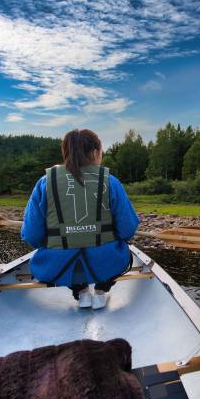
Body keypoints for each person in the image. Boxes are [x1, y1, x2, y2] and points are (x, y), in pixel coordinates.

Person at [21, 128, 139, 309]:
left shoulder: (45, 182)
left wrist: (56, 241)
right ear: (94, 152)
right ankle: (101, 291)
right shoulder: (110, 181)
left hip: (56, 266)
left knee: (66, 258)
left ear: (66, 152)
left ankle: (81, 292)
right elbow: (128, 229)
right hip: (107, 263)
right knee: (118, 252)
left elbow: (30, 235)